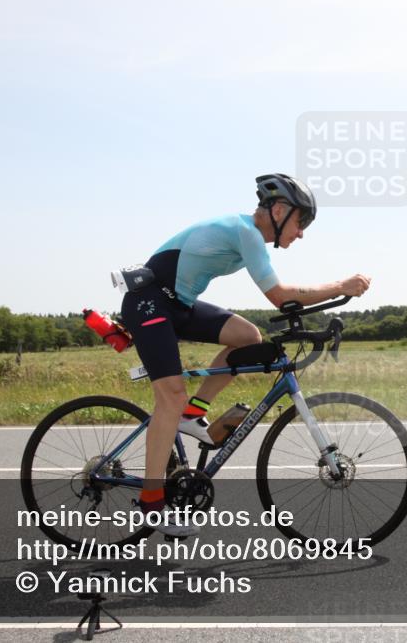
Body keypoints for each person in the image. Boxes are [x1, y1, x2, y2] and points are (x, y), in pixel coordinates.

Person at [119, 173, 371, 537]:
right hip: (150, 301)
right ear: (280, 210)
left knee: (247, 336)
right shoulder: (247, 232)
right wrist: (340, 286)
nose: (301, 233)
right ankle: (152, 503)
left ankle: (193, 415)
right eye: (302, 222)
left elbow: (281, 299)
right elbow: (280, 295)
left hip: (178, 304)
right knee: (170, 397)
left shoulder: (248, 236)